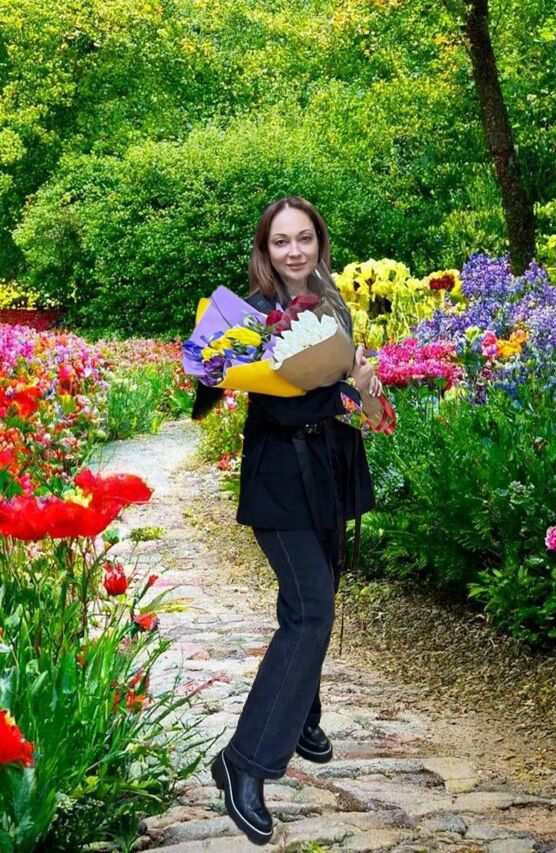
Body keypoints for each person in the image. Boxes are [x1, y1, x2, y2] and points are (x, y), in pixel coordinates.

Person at [199, 196, 381, 846]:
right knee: (310, 611)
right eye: (282, 241)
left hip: (327, 471)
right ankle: (244, 761)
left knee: (310, 597)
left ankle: (302, 711)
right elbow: (278, 405)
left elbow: (343, 385)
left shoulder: (334, 303)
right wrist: (343, 388)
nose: (294, 250)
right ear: (266, 249)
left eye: (304, 238)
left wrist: (364, 383)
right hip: (279, 478)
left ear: (319, 242)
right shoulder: (246, 317)